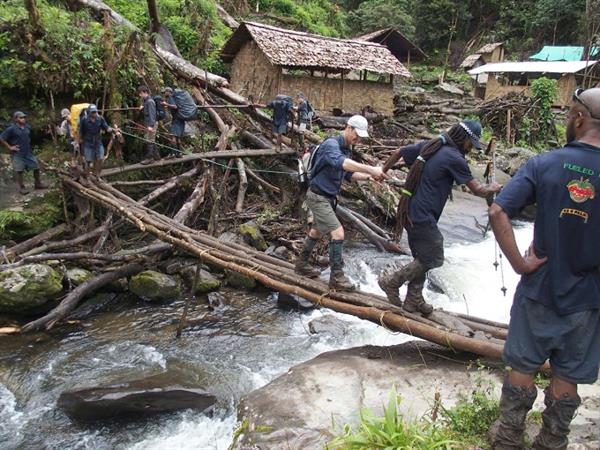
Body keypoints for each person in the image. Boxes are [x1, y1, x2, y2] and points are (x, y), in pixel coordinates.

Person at [488, 88, 600, 449]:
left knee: (523, 363)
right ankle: (552, 440)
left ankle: (508, 437)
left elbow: (498, 210)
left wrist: (521, 264)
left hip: (540, 287)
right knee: (568, 373)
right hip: (587, 296)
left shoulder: (545, 163)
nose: (567, 119)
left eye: (569, 114)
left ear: (580, 118)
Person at [378, 120, 501, 314]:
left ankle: (413, 300)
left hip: (409, 210)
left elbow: (400, 151)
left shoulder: (433, 145)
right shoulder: (454, 157)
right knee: (434, 257)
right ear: (465, 138)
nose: (471, 149)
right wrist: (493, 188)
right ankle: (392, 281)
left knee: (422, 256)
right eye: (471, 144)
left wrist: (383, 170)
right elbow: (478, 190)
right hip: (422, 216)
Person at [295, 115, 388, 291]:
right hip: (317, 196)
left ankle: (301, 265)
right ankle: (336, 277)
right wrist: (371, 168)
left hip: (328, 198)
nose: (358, 139)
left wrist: (369, 177)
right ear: (348, 127)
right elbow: (343, 164)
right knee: (338, 233)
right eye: (356, 134)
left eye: (361, 137)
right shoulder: (332, 145)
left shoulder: (346, 149)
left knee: (316, 231)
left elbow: (348, 175)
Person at [0, 111, 47, 195]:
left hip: (28, 152)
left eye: (24, 117)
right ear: (16, 119)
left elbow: (29, 136)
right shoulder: (11, 129)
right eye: (21, 117)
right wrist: (10, 147)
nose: (23, 119)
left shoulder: (27, 127)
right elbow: (2, 138)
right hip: (18, 153)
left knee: (36, 166)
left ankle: (37, 184)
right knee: (19, 170)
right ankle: (22, 187)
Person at [78, 104, 113, 176]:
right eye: (93, 112)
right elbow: (81, 131)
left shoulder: (100, 119)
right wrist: (79, 140)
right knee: (88, 161)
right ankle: (87, 177)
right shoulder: (84, 120)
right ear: (89, 113)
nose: (94, 114)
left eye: (95, 112)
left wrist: (113, 130)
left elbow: (106, 127)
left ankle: (97, 175)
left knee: (100, 159)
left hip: (98, 142)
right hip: (88, 142)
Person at [138, 85, 159, 163]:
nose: (140, 95)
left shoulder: (150, 102)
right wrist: (142, 107)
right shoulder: (146, 101)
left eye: (140, 93)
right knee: (150, 139)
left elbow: (152, 114)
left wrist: (151, 126)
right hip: (148, 123)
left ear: (145, 92)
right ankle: (157, 156)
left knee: (149, 140)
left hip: (151, 124)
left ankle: (149, 158)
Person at [162, 87, 184, 156]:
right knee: (178, 137)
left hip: (176, 120)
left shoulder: (171, 98)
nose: (164, 93)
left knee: (173, 137)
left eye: (165, 92)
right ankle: (179, 153)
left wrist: (166, 104)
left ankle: (173, 153)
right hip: (181, 119)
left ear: (168, 92)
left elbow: (175, 107)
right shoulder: (176, 98)